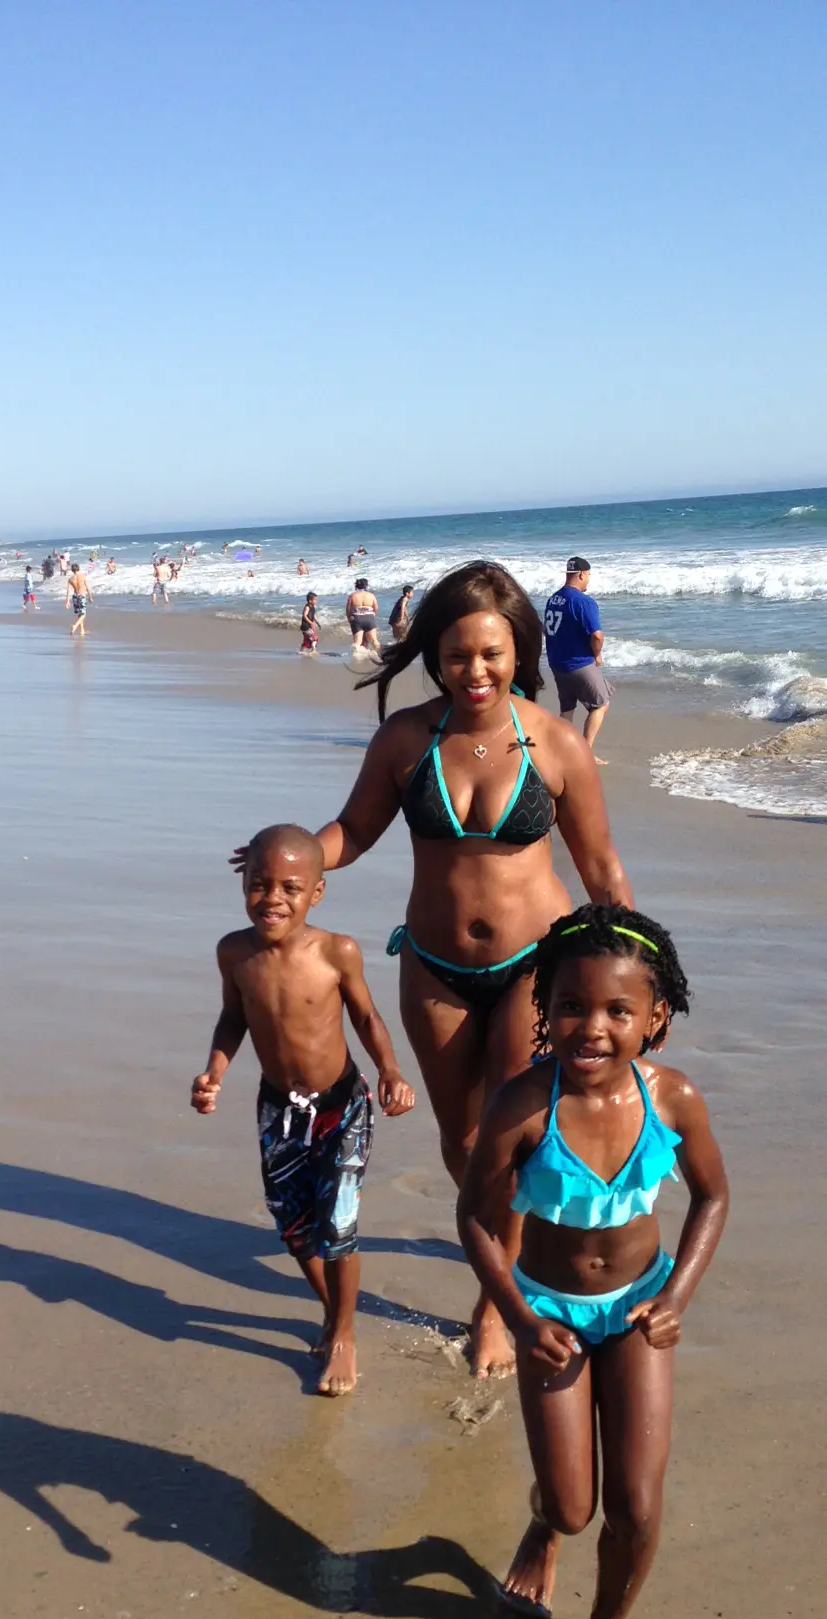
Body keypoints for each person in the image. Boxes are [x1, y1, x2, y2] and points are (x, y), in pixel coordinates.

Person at [249, 559, 631, 1376]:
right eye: (457, 656)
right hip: (433, 968)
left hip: (537, 965)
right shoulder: (405, 738)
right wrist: (294, 857)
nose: (475, 671)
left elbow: (602, 870)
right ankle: (499, 1248)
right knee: (463, 1142)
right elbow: (353, 832)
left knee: (511, 1136)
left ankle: (497, 1302)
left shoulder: (557, 742)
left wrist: (638, 973)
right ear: (435, 656)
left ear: (518, 650)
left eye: (491, 654)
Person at [457, 905, 727, 1619]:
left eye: (618, 1010)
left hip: (640, 1309)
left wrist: (676, 1298)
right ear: (545, 1008)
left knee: (636, 1506)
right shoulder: (522, 1106)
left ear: (656, 1018)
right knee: (575, 1506)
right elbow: (475, 1218)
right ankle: (545, 1524)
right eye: (572, 1006)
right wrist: (517, 1315)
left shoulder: (673, 1099)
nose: (593, 1028)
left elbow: (712, 1197)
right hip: (550, 1312)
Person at [193, 823, 416, 1395]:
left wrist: (390, 1070)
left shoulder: (336, 951)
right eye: (259, 884)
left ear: (316, 892)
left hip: (341, 1105)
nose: (272, 899)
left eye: (290, 888)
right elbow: (233, 1018)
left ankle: (343, 1334)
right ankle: (333, 1310)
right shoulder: (234, 952)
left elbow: (366, 1017)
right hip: (279, 1109)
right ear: (243, 882)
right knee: (295, 1230)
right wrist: (214, 1072)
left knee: (337, 1223)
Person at [543, 556, 610, 756]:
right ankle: (585, 754)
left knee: (567, 709)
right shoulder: (583, 602)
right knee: (601, 705)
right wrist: (597, 654)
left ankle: (561, 752)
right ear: (581, 574)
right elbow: (597, 635)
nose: (588, 579)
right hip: (579, 663)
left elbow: (547, 629)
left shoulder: (553, 599)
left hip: (557, 663)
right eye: (588, 575)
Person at [345, 577, 379, 653]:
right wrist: (373, 615)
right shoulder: (371, 595)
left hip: (357, 618)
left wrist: (349, 619)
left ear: (356, 586)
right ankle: (379, 655)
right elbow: (376, 608)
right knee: (374, 641)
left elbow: (348, 610)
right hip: (369, 618)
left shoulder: (352, 595)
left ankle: (356, 657)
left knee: (357, 642)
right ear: (366, 586)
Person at [66, 561, 90, 635]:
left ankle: (82, 630)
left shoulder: (70, 579)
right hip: (81, 596)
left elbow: (68, 590)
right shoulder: (83, 576)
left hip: (75, 597)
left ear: (72, 570)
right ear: (78, 568)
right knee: (83, 614)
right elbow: (87, 587)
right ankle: (75, 626)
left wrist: (67, 601)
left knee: (80, 613)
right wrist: (90, 596)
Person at [299, 590, 321, 656]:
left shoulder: (313, 607)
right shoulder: (307, 607)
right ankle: (313, 651)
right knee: (315, 638)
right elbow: (305, 615)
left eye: (316, 600)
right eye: (315, 600)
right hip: (305, 627)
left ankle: (301, 651)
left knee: (306, 640)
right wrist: (311, 622)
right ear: (310, 601)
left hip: (307, 627)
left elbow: (313, 616)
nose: (316, 601)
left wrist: (317, 622)